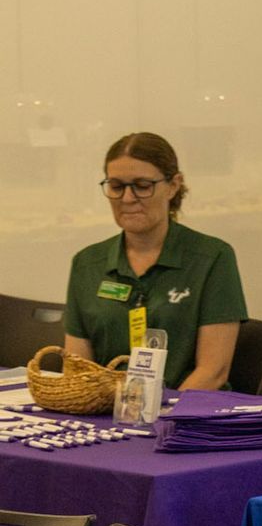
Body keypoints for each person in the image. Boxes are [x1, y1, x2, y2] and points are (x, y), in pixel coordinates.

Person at [63, 132, 247, 389]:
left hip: (185, 416)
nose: (127, 198)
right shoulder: (87, 263)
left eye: (142, 186)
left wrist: (160, 419)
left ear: (173, 185)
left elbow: (214, 371)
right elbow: (77, 369)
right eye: (116, 186)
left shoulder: (212, 258)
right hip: (107, 415)